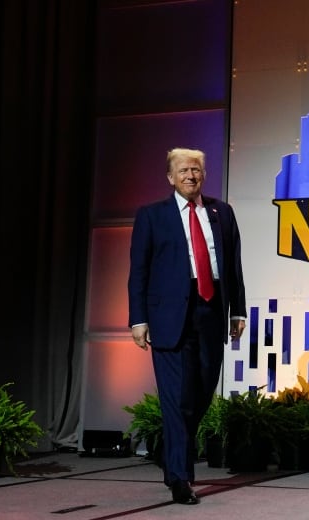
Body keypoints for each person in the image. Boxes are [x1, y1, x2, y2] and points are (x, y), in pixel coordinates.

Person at [128, 147, 247, 505]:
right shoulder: (151, 216)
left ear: (203, 175)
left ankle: (173, 451)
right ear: (170, 177)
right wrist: (138, 319)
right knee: (178, 399)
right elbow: (139, 272)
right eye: (183, 171)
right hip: (168, 319)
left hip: (210, 311)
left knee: (200, 394)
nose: (190, 176)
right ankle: (180, 477)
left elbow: (233, 267)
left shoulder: (221, 213)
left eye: (196, 170)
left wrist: (237, 312)